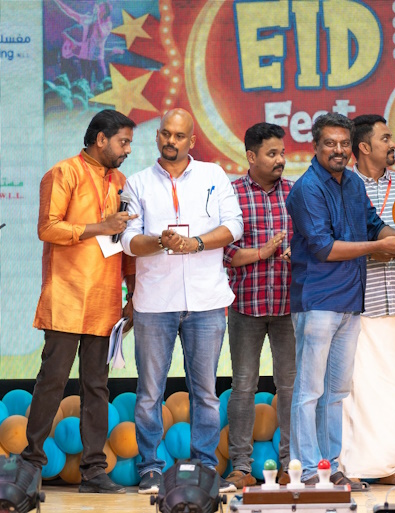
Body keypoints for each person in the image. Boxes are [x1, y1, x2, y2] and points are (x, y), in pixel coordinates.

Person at [286, 113, 395, 486]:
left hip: (351, 302)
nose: (338, 150)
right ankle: (306, 471)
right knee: (309, 392)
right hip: (318, 302)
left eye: (344, 143)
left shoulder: (353, 184)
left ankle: (331, 467)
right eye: (330, 143)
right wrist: (379, 247)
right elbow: (324, 248)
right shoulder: (307, 189)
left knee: (336, 392)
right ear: (315, 146)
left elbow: (375, 225)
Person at [121, 108, 243, 495]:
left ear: (192, 140)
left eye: (179, 136)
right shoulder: (137, 183)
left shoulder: (214, 175)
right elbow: (128, 241)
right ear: (157, 136)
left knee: (205, 392)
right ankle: (150, 468)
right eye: (165, 134)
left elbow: (235, 225)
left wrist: (197, 243)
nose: (170, 141)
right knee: (149, 394)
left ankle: (204, 467)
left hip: (206, 301)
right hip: (154, 302)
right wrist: (160, 241)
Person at [26, 109, 137, 493]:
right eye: (123, 142)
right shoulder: (63, 173)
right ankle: (30, 466)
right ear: (101, 139)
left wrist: (132, 294)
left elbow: (124, 243)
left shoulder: (120, 182)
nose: (127, 150)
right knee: (51, 382)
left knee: (97, 387)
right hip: (67, 298)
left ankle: (93, 471)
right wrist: (99, 227)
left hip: (105, 301)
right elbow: (48, 227)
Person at [339, 115, 395, 486]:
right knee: (355, 388)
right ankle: (351, 467)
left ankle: (389, 465)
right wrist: (378, 247)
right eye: (385, 138)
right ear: (364, 147)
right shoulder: (342, 186)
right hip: (356, 299)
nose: (393, 144)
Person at [223, 123, 295, 489]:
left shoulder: (296, 193)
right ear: (251, 156)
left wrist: (297, 252)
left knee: (291, 387)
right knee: (243, 387)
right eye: (272, 154)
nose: (280, 160)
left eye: (282, 153)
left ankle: (291, 464)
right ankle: (240, 467)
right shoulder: (231, 194)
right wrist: (263, 253)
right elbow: (226, 254)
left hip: (288, 305)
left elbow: (313, 242)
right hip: (245, 306)